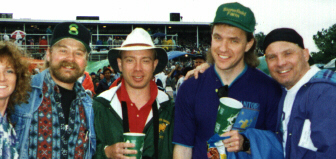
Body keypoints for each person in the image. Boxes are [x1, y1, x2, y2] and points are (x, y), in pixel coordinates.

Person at [173, 2, 282, 159]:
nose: (223, 48)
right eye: (218, 38)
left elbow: (281, 145)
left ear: (248, 44)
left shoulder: (269, 89)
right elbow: (183, 149)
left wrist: (247, 143)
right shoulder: (191, 86)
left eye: (233, 40)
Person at [10, 22, 96, 158]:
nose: (70, 58)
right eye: (63, 50)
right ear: (49, 54)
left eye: (78, 53)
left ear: (86, 61)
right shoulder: (20, 92)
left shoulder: (89, 105)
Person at [93, 28, 174, 159]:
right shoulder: (99, 106)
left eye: (145, 60)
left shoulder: (170, 109)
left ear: (154, 64)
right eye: (130, 60)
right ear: (120, 64)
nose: (138, 68)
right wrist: (105, 153)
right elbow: (80, 151)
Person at [263, 28, 336, 158]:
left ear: (305, 54)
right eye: (272, 57)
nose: (280, 63)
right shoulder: (286, 90)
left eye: (288, 53)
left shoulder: (325, 92)